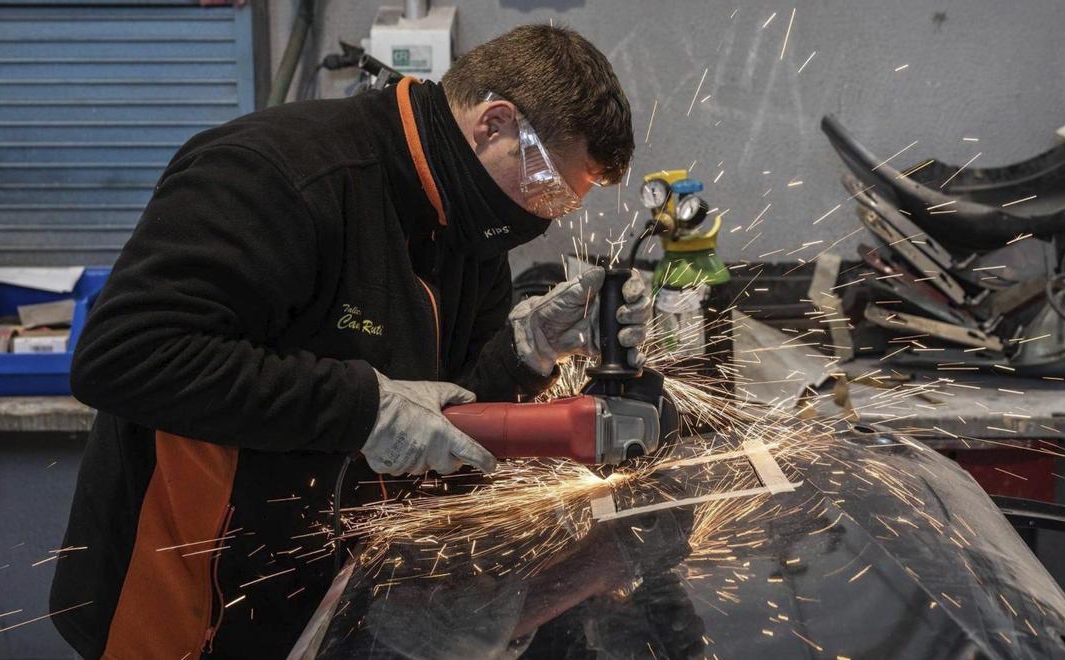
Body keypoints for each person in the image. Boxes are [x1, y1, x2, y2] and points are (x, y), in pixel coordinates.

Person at [48, 24, 646, 659]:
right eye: (551, 188)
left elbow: (448, 416)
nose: (549, 214)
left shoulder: (470, 231)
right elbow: (125, 355)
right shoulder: (278, 173)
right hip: (189, 598)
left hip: (334, 602)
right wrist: (366, 408)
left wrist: (526, 351)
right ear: (494, 124)